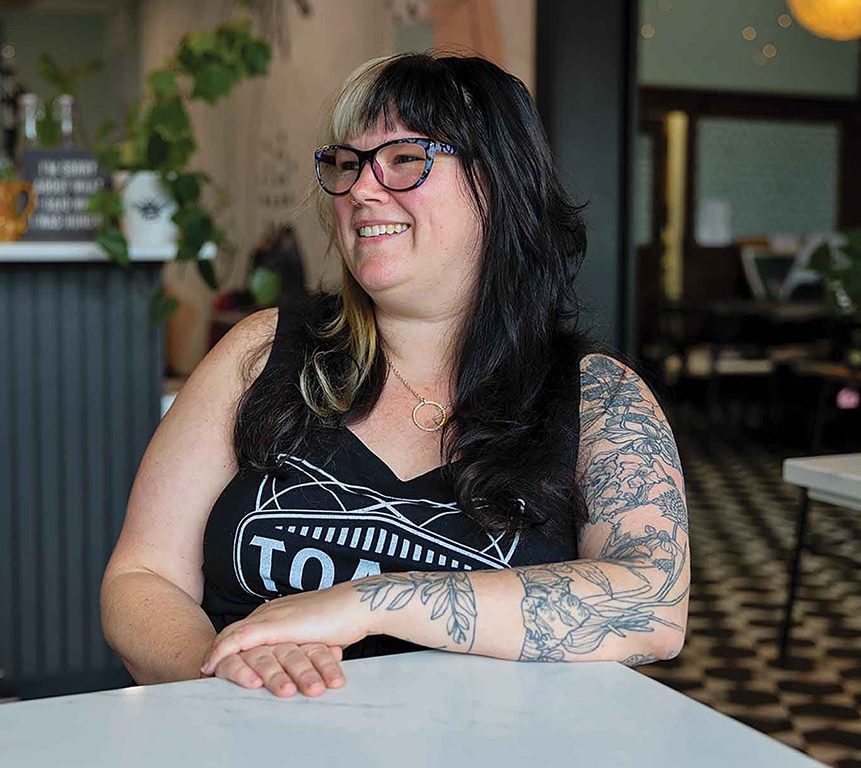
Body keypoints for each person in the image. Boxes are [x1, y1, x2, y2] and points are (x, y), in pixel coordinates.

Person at [101, 52, 689, 699]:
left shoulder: (598, 397)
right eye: (347, 164)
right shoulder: (261, 351)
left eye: (405, 158)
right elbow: (142, 575)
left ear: (500, 184)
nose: (359, 189)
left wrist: (370, 601)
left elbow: (653, 605)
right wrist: (224, 670)